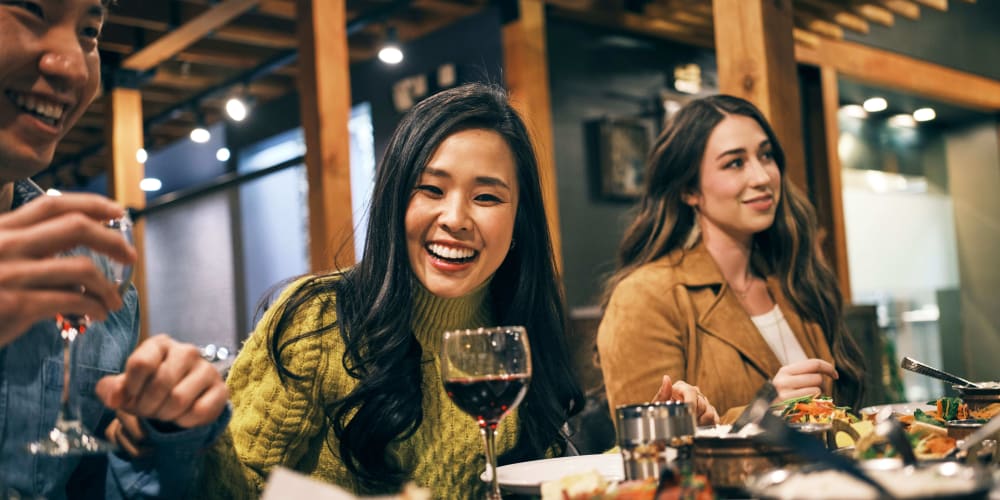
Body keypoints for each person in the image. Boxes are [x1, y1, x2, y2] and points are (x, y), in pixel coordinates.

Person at [200, 82, 585, 498]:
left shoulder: (516, 339)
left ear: (518, 224)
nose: (455, 218)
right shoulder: (321, 320)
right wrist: (192, 430)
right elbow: (230, 489)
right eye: (432, 189)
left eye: (487, 197)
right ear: (395, 201)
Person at [0, 1, 230, 497]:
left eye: (89, 31)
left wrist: (159, 428)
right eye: (28, 9)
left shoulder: (89, 266)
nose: (71, 64)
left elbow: (88, 481)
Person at [597, 94, 864, 424]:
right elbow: (649, 443)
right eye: (735, 163)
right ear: (689, 190)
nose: (762, 177)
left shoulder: (794, 278)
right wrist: (764, 411)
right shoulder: (645, 296)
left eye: (765, 156)